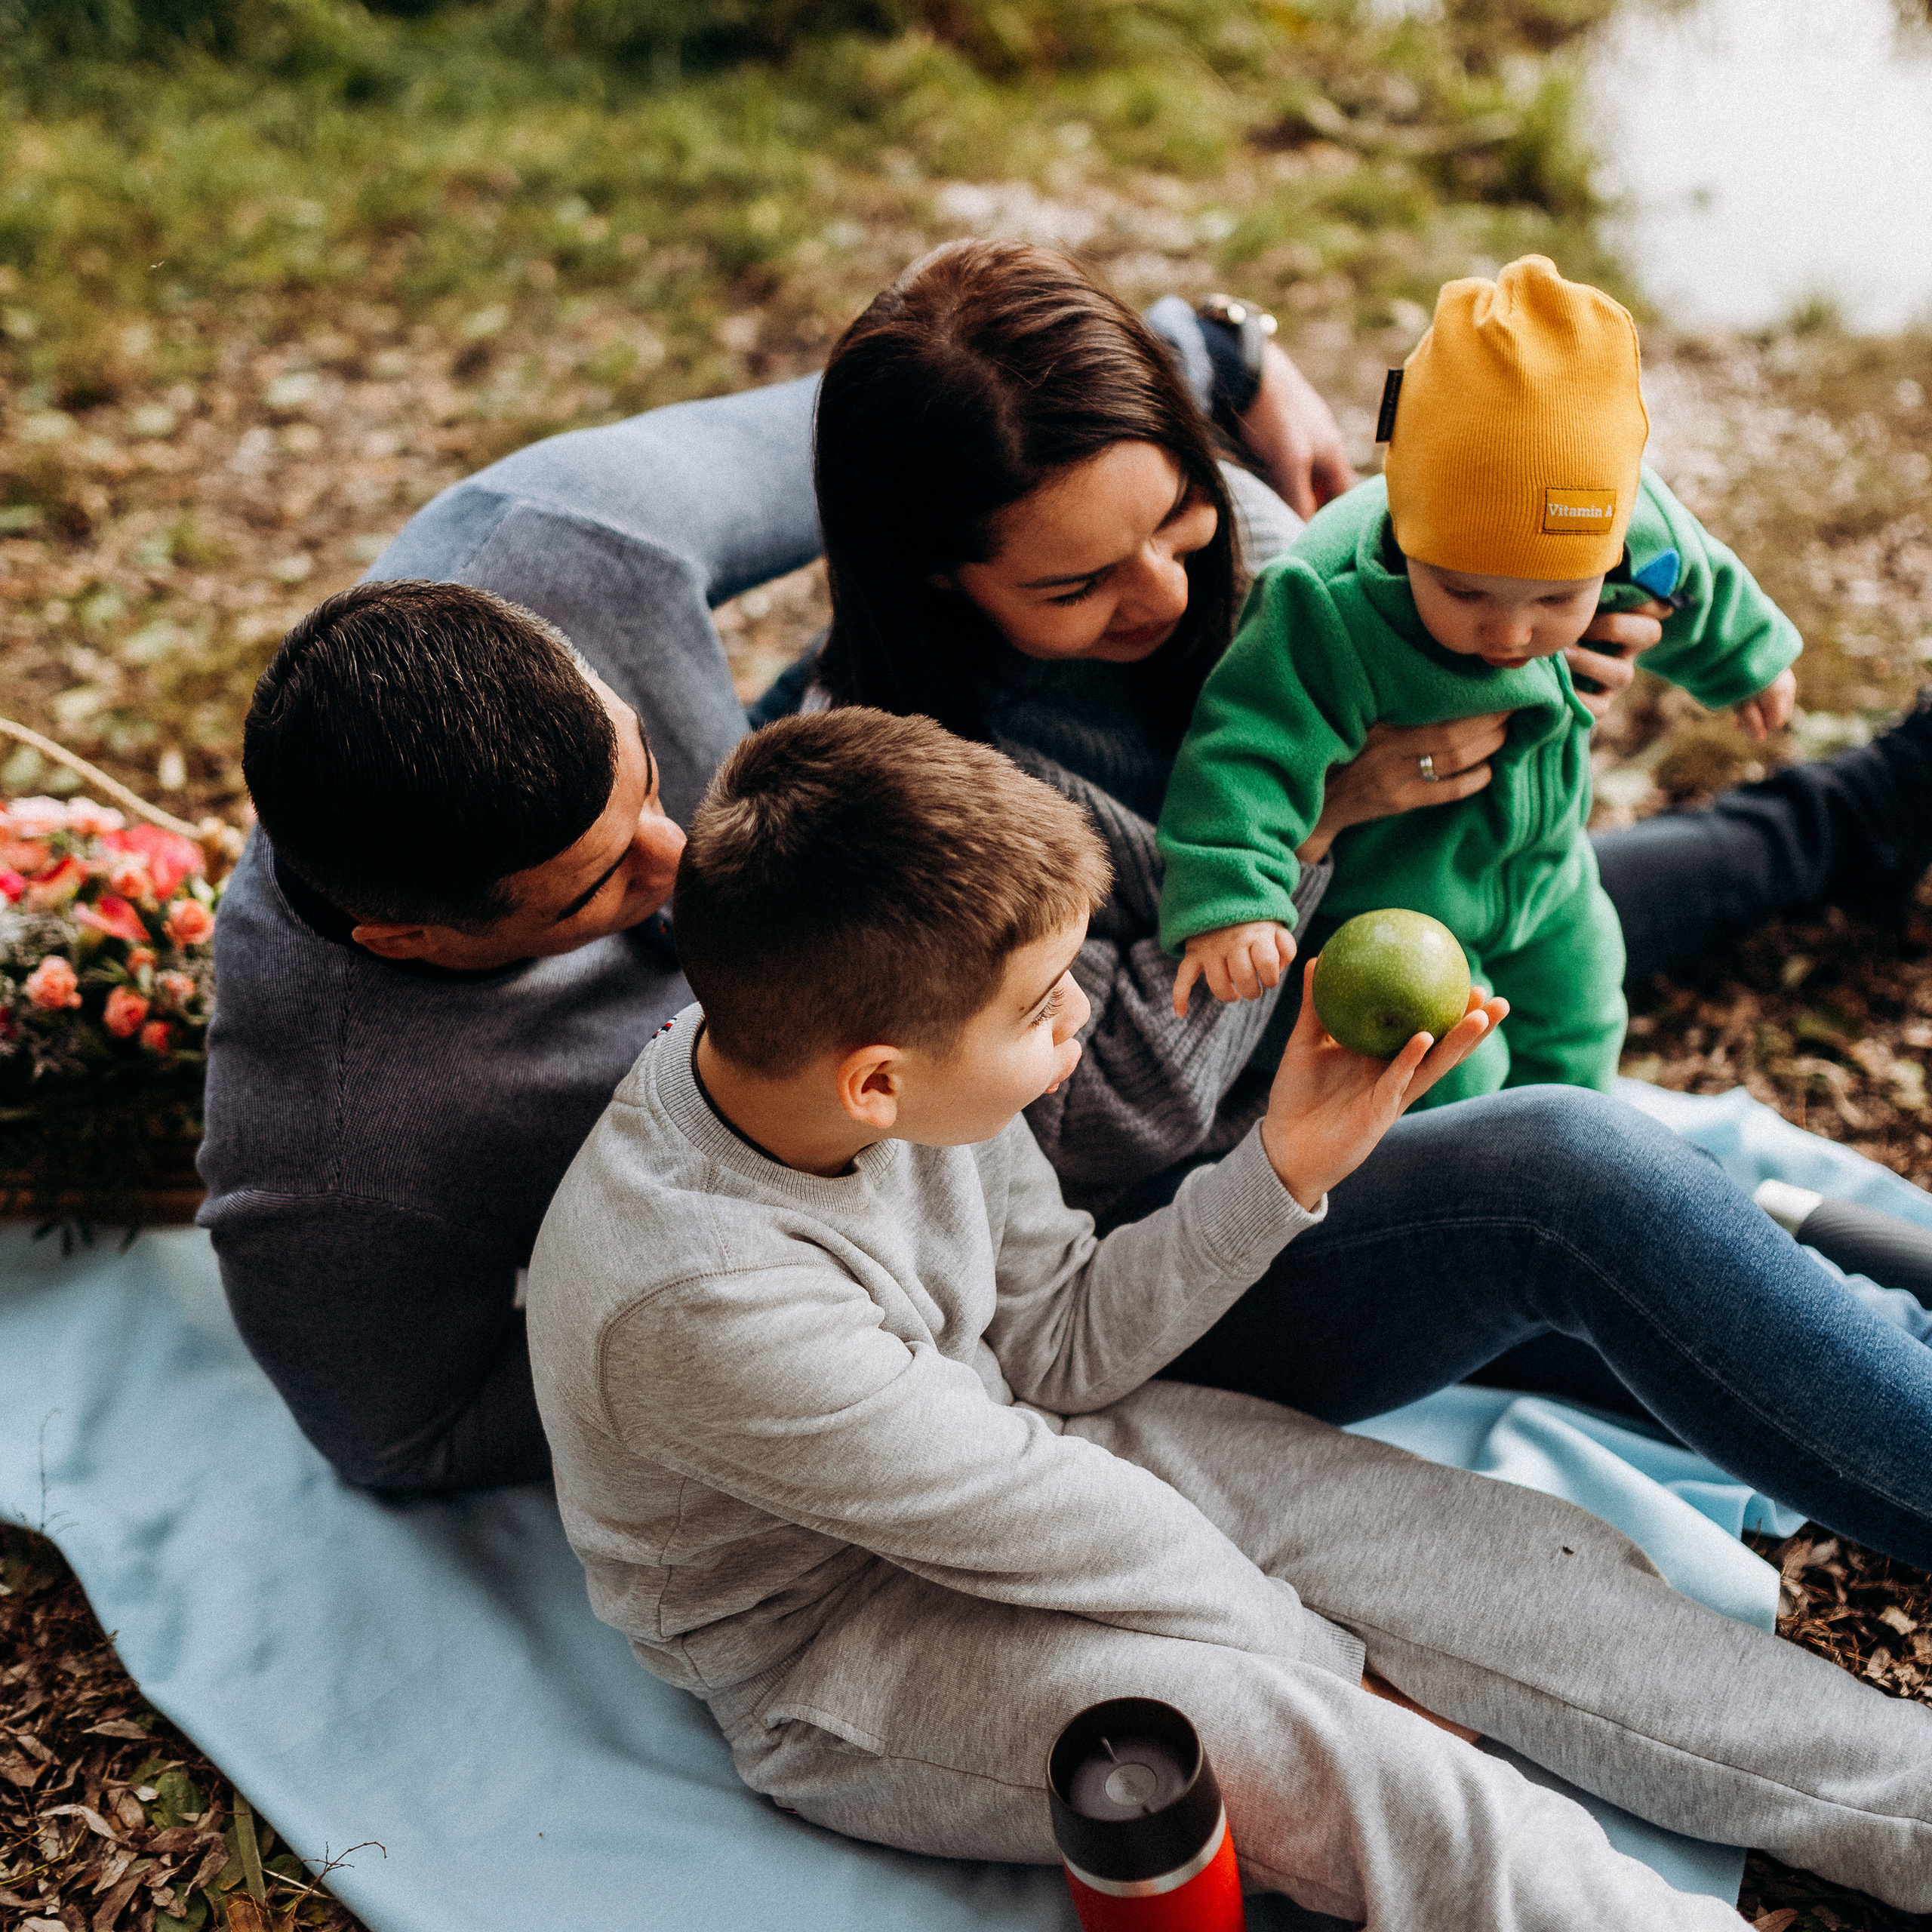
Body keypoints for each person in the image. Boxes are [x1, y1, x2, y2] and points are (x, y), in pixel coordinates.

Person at [200, 246, 1932, 1492]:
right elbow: (1112, 1128)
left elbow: (903, 394)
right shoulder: (919, 815)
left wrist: (1235, 373)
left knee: (1553, 928)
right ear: (417, 939)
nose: (690, 850)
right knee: (1577, 1175)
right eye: (595, 889)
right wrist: (741, 1352)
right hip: (1153, 1216)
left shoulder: (548, 547)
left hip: (1367, 951)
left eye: (1177, 522)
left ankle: (1856, 821)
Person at [527, 706, 1932, 1928]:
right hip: (841, 1639)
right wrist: (1347, 1673)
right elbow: (1029, 1511)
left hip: (1019, 1436)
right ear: (878, 1084)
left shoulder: (901, 1078)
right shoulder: (696, 1298)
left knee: (1488, 1564)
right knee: (1347, 1762)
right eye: (1038, 1005)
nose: (1080, 1012)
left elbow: (1053, 1344)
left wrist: (1282, 1170)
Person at [1155, 257, 1799, 1107]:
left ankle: (1577, 1145)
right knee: (1454, 1074)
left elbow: (1694, 577)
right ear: (1405, 529)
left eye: (1557, 598)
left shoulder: (1628, 525)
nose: (1509, 631)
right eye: (1461, 591)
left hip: (1547, 871)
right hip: (1396, 913)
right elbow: (1242, 748)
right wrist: (1232, 899)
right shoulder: (1329, 602)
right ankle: (1485, 1170)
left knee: (1580, 1018)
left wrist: (1746, 658)